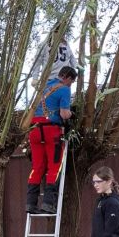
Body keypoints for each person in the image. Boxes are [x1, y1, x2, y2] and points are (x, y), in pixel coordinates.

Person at [27, 65, 77, 214]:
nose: (70, 85)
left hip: (35, 130)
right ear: (67, 77)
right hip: (51, 131)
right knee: (54, 167)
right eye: (71, 82)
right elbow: (64, 114)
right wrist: (72, 114)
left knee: (37, 167)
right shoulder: (64, 89)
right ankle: (48, 204)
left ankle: (30, 204)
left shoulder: (43, 86)